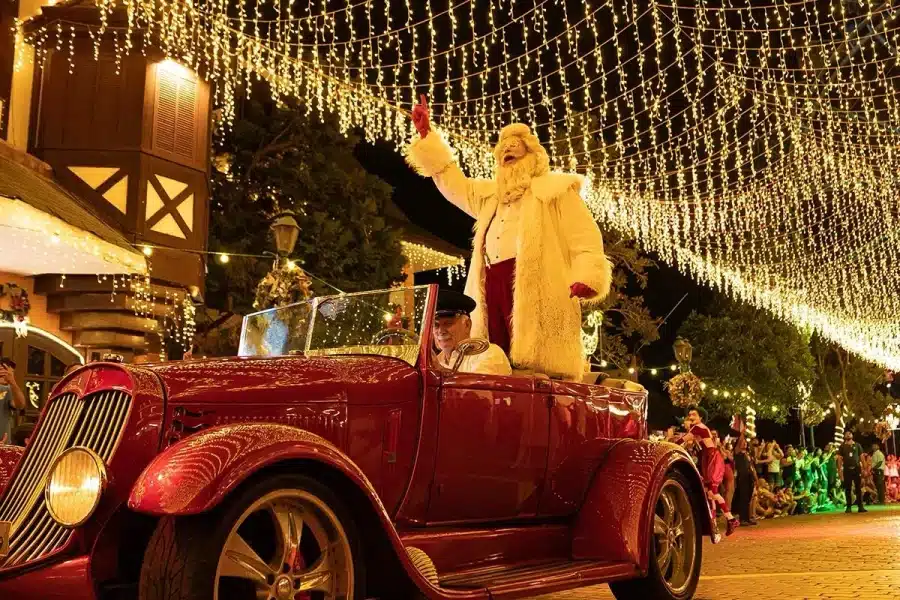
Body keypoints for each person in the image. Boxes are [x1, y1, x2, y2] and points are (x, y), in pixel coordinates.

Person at [406, 97, 612, 380]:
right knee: (493, 356)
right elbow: (455, 185)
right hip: (491, 281)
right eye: (503, 156)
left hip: (537, 283)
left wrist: (588, 277)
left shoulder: (555, 191)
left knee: (535, 363)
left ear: (533, 157)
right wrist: (427, 136)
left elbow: (585, 238)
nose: (507, 158)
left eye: (514, 154)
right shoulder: (490, 196)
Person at [674, 406, 740, 535]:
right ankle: (714, 523)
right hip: (706, 458)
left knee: (713, 492)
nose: (690, 417)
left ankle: (730, 519)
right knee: (709, 492)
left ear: (701, 417)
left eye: (693, 415)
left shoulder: (698, 427)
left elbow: (683, 440)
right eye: (690, 415)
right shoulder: (697, 428)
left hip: (711, 458)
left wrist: (670, 443)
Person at [432, 290, 512, 376]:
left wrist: (440, 371)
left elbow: (479, 387)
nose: (441, 331)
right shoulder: (436, 361)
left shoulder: (489, 354)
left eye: (448, 323)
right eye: (436, 325)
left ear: (467, 325)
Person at [839, 431, 867, 513]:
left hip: (856, 469)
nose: (848, 434)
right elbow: (840, 460)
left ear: (852, 435)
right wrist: (840, 471)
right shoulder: (842, 446)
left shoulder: (857, 445)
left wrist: (864, 469)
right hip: (847, 470)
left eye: (849, 433)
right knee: (848, 489)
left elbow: (862, 458)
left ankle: (860, 507)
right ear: (844, 436)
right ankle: (848, 507)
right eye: (846, 434)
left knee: (858, 488)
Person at [0, 359, 26, 445]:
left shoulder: (8, 390)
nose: (5, 375)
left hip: (3, 445)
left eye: (9, 373)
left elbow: (20, 405)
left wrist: (13, 383)